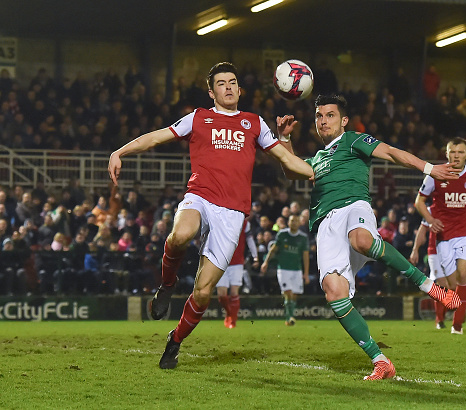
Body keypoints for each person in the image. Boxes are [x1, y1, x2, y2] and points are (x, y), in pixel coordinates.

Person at [107, 62, 313, 370]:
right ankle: (167, 284)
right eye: (221, 83)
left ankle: (174, 341)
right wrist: (119, 152)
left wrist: (316, 172)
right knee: (180, 234)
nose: (228, 87)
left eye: (233, 82)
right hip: (200, 197)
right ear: (211, 91)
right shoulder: (199, 118)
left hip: (232, 214)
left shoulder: (254, 123)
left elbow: (285, 158)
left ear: (239, 89)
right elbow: (156, 137)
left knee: (202, 293)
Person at [280, 94, 460, 381]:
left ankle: (427, 285)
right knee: (334, 293)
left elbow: (390, 152)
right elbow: (292, 171)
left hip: (353, 207)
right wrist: (284, 139)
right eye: (319, 116)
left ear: (344, 121)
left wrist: (430, 169)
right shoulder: (317, 159)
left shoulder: (353, 140)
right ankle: (380, 361)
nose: (323, 120)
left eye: (330, 115)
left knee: (362, 240)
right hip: (326, 225)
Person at [415, 136, 466, 335]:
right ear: (446, 154)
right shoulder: (435, 175)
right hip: (444, 237)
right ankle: (441, 318)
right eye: (452, 152)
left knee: (464, 274)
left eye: (460, 152)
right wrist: (430, 220)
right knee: (448, 283)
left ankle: (457, 325)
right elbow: (419, 202)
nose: (456, 156)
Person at [260, 214, 309, 326]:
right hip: (283, 269)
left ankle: (289, 317)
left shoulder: (303, 238)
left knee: (295, 294)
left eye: (296, 221)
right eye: (292, 221)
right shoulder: (282, 235)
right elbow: (273, 249)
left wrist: (305, 273)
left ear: (299, 223)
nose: (294, 223)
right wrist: (266, 262)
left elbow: (305, 256)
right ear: (288, 222)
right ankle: (290, 317)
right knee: (288, 293)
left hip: (297, 270)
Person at [215, 219, 258, 329]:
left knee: (234, 292)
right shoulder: (218, 220)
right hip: (221, 261)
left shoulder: (244, 223)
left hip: (237, 262)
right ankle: (229, 313)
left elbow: (250, 240)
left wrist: (255, 255)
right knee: (221, 295)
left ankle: (232, 320)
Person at [409, 217, 451, 329]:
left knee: (451, 286)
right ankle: (439, 320)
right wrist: (415, 249)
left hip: (452, 251)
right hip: (435, 252)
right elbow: (422, 229)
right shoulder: (430, 211)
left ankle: (442, 317)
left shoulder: (455, 209)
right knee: (442, 285)